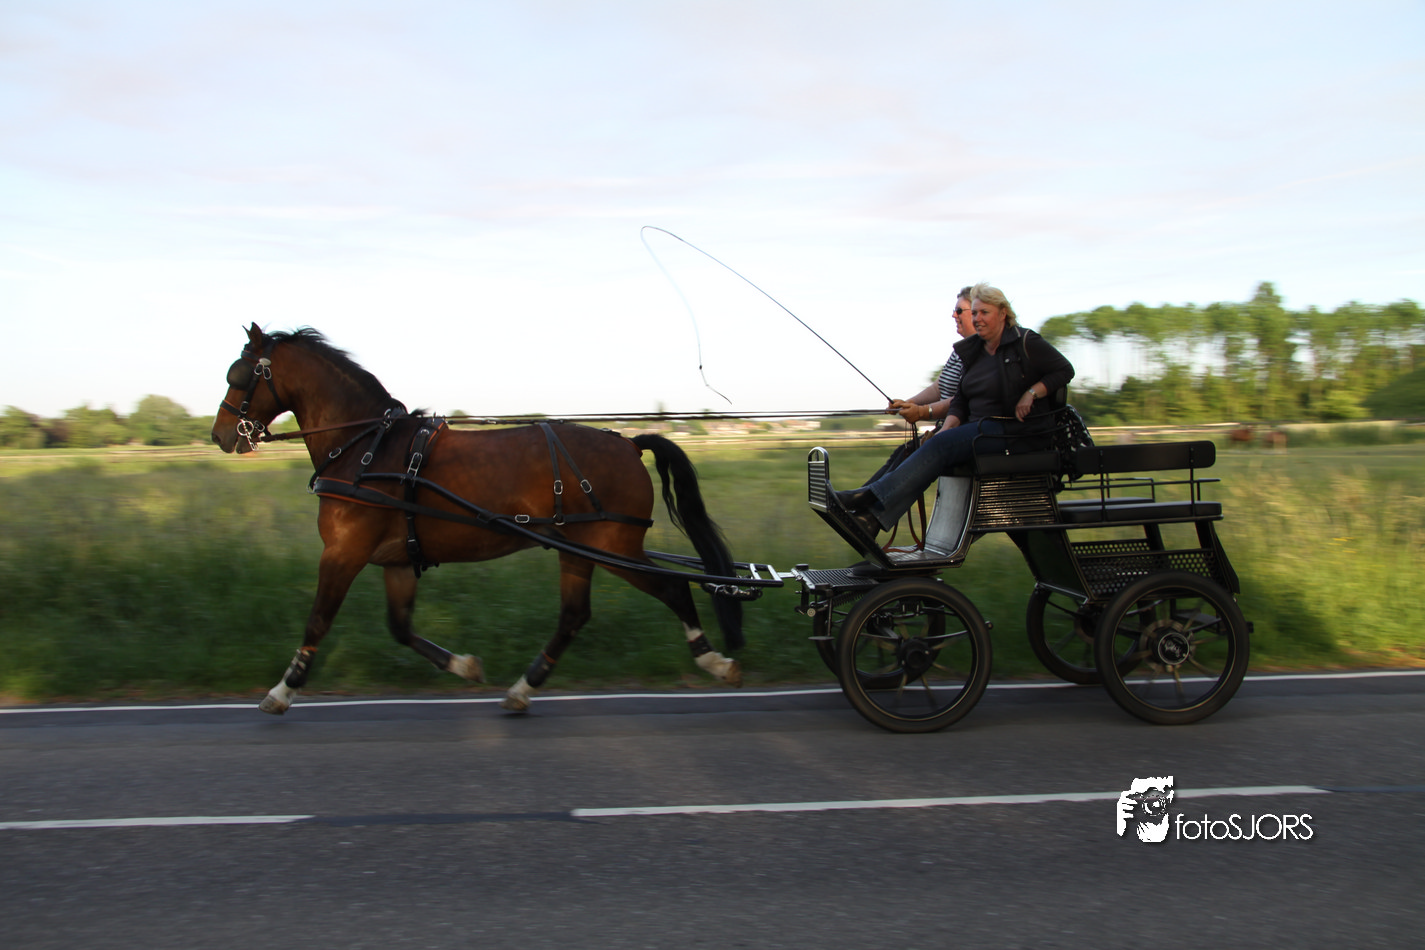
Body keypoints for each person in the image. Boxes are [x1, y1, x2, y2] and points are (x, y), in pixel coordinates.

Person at [835, 282, 1075, 540]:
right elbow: (960, 398)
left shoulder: (1025, 341)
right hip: (981, 428)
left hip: (1015, 431)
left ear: (1003, 313)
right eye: (975, 313)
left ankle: (867, 501)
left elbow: (1064, 370)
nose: (977, 318)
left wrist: (1032, 392)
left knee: (942, 444)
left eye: (984, 312)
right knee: (936, 442)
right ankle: (869, 518)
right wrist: (947, 428)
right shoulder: (975, 352)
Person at [885, 286, 976, 427]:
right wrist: (908, 403)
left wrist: (922, 412)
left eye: (959, 311)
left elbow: (962, 400)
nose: (954, 315)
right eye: (954, 311)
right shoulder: (958, 351)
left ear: (976, 313)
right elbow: (937, 388)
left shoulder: (981, 353)